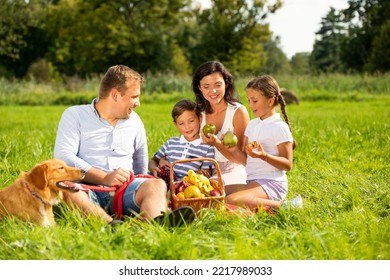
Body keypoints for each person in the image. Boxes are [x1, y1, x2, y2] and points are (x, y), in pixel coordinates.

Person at [54, 65, 195, 226]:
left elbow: (141, 169)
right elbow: (64, 157)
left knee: (156, 185)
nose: (138, 103)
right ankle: (110, 225)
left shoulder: (135, 122)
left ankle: (154, 223)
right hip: (85, 190)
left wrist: (151, 188)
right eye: (134, 96)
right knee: (67, 190)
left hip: (124, 192)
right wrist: (105, 178)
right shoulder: (75, 115)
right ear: (115, 95)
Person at [225, 75, 302, 209]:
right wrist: (232, 149)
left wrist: (264, 155)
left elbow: (288, 164)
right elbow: (246, 160)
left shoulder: (279, 127)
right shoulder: (252, 125)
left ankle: (285, 206)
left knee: (230, 200)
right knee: (219, 193)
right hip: (253, 182)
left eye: (254, 101)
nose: (250, 105)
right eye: (248, 100)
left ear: (270, 100)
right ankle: (252, 208)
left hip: (272, 183)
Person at [191, 61, 250, 185]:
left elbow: (242, 159)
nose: (213, 91)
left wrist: (217, 144)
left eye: (218, 85)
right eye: (206, 86)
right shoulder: (198, 113)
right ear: (199, 87)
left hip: (233, 171)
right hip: (204, 170)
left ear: (226, 84)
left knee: (212, 194)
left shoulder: (238, 112)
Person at [148, 99, 215, 183]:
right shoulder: (171, 142)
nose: (187, 127)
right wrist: (153, 168)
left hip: (185, 187)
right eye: (181, 123)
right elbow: (153, 160)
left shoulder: (207, 147)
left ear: (200, 119)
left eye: (191, 121)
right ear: (175, 125)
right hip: (162, 181)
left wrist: (200, 174)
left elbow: (207, 173)